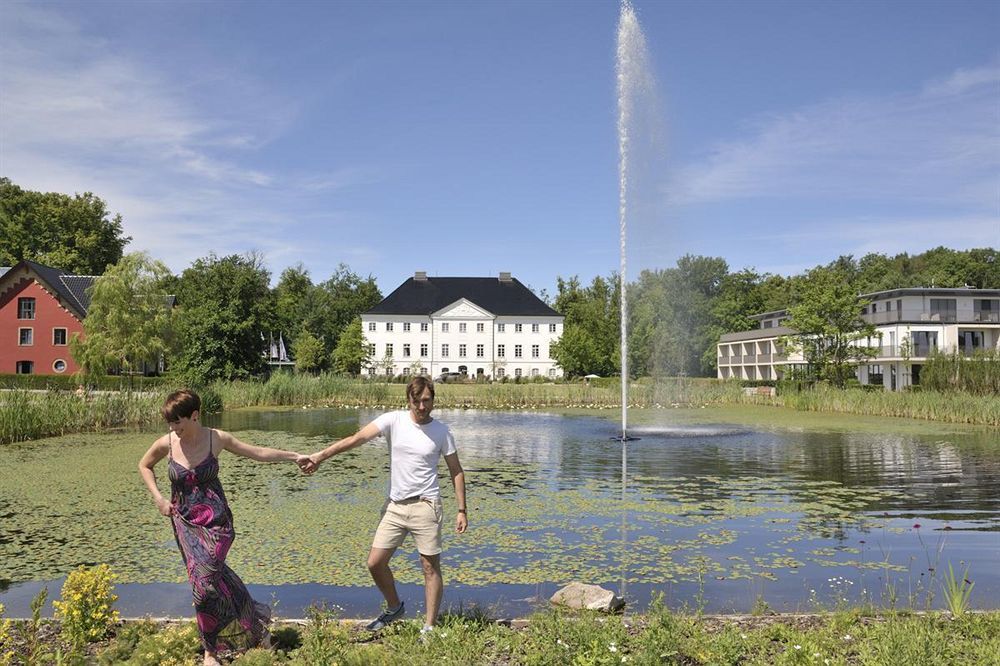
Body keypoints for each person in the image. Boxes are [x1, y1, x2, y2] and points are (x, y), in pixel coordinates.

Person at [139, 389, 315, 666]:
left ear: (195, 416)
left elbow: (257, 452)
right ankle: (214, 651)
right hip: (184, 522)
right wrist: (159, 498)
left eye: (178, 422)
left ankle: (241, 635)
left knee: (207, 580)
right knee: (204, 584)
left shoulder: (216, 439)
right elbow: (145, 465)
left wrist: (294, 456)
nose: (174, 428)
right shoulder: (167, 443)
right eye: (170, 423)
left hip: (217, 523)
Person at [308, 375, 467, 635]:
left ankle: (429, 627)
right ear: (408, 400)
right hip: (395, 506)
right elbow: (356, 439)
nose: (422, 407)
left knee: (429, 567)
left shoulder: (442, 432)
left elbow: (456, 471)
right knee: (375, 563)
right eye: (417, 401)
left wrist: (462, 510)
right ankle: (395, 607)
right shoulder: (393, 420)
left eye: (427, 401)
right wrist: (321, 456)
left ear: (433, 400)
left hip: (426, 506)